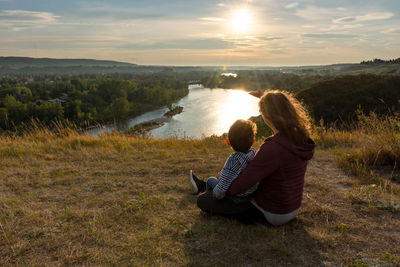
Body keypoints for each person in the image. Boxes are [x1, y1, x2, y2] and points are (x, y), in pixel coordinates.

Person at [195, 90, 316, 226]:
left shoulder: (273, 147)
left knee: (203, 200)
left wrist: (222, 180)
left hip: (273, 212)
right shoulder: (300, 138)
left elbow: (238, 188)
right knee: (216, 187)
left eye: (261, 112)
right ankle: (207, 185)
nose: (261, 115)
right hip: (293, 208)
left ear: (269, 116)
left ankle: (240, 212)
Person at [189, 119, 258, 203]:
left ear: (228, 142)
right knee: (218, 179)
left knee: (211, 180)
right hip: (249, 195)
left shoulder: (233, 161)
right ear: (253, 142)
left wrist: (219, 182)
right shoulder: (254, 154)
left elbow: (220, 192)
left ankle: (209, 199)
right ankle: (201, 186)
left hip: (236, 198)